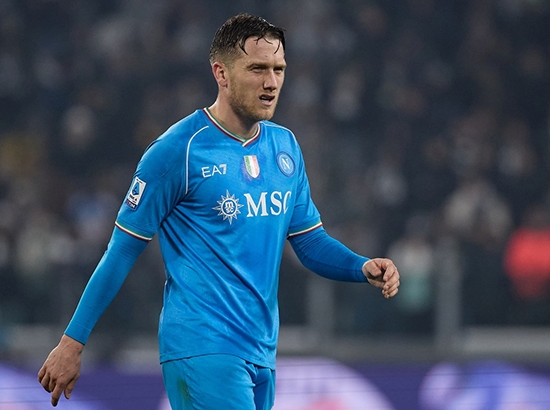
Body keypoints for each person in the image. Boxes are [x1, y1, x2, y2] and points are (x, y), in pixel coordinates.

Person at [37, 13, 400, 409]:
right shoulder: (177, 151)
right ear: (221, 73)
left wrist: (360, 266)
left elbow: (310, 242)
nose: (271, 82)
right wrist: (73, 341)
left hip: (261, 350)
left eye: (278, 69)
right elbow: (121, 252)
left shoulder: (285, 147)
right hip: (202, 346)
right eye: (257, 69)